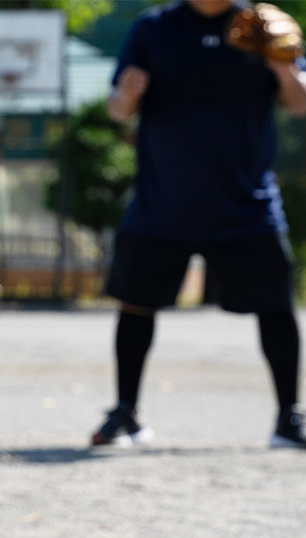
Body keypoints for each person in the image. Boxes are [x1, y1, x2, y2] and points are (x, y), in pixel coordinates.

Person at [91, 0, 306, 448]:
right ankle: (126, 412)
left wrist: (282, 69)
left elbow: (299, 103)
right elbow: (116, 111)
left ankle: (288, 417)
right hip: (164, 199)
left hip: (246, 202)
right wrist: (127, 95)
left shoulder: (260, 26)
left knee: (277, 308)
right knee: (135, 305)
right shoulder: (153, 28)